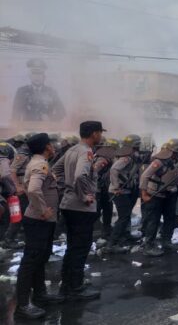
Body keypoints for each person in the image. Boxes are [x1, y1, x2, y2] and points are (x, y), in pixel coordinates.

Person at [52, 121, 104, 300]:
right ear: (94, 134)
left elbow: (55, 170)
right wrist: (84, 196)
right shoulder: (86, 151)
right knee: (80, 247)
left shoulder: (72, 150)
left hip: (68, 204)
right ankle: (75, 287)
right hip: (81, 207)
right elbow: (80, 176)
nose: (101, 136)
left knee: (73, 247)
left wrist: (62, 189)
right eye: (100, 133)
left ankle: (68, 282)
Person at [14, 133, 64, 319]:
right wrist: (42, 210)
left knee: (41, 258)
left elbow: (33, 188)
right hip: (38, 220)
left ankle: (40, 294)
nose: (53, 147)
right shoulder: (40, 165)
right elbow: (34, 190)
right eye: (51, 144)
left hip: (42, 220)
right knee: (31, 261)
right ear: (46, 147)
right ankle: (23, 304)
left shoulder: (40, 163)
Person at [139, 139, 178, 257]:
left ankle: (166, 241)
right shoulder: (159, 161)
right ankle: (148, 246)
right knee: (153, 221)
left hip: (169, 194)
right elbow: (145, 176)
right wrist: (144, 194)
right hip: (156, 195)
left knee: (170, 219)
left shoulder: (176, 161)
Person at [106, 135, 142, 254]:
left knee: (126, 216)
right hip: (119, 191)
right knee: (124, 217)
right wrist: (116, 187)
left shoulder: (132, 157)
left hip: (127, 190)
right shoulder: (126, 158)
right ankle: (112, 243)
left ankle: (125, 235)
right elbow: (114, 170)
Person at [93, 138, 119, 239]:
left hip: (105, 188)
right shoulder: (103, 158)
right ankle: (94, 231)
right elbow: (94, 171)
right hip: (99, 189)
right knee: (97, 210)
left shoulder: (106, 156)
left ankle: (106, 230)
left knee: (108, 209)